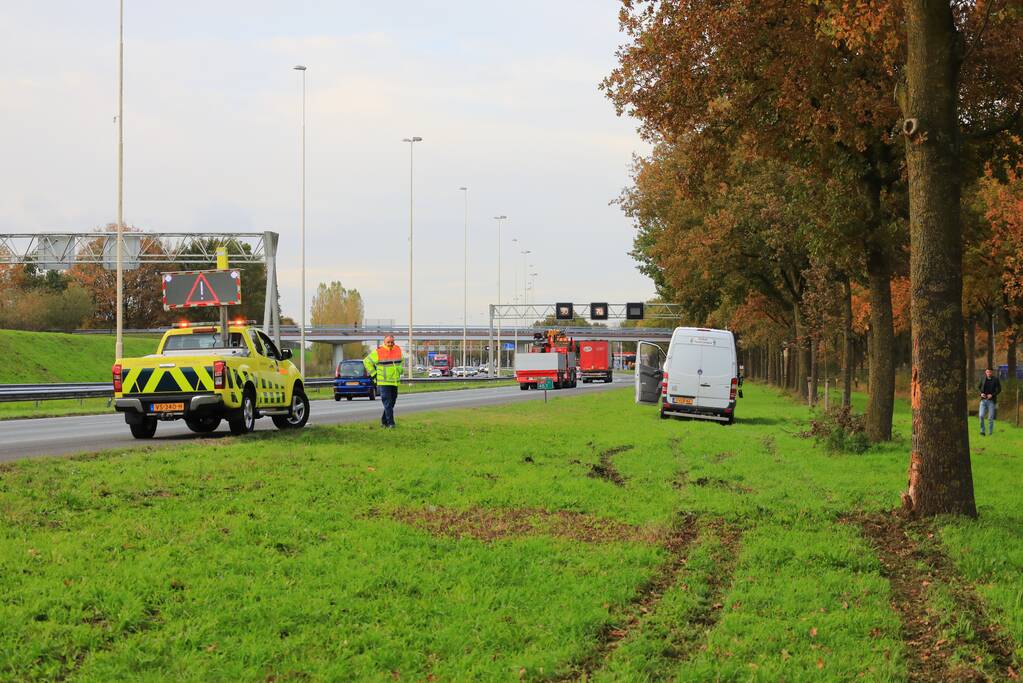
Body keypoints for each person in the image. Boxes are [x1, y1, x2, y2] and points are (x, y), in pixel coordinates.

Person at [364, 335, 404, 428]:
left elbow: (401, 361)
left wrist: (400, 370)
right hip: (383, 382)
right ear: (384, 342)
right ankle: (391, 423)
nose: (390, 344)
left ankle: (383, 422)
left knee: (391, 403)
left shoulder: (397, 349)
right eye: (388, 342)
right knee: (387, 402)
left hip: (394, 382)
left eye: (392, 342)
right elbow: (366, 361)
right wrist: (374, 374)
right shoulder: (379, 351)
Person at [978, 368, 1002, 436]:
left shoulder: (996, 380)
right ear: (985, 372)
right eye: (987, 372)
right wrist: (981, 394)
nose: (989, 373)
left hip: (991, 401)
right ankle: (982, 431)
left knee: (990, 418)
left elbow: (999, 389)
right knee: (981, 416)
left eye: (990, 372)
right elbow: (978, 388)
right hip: (983, 400)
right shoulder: (982, 379)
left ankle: (990, 433)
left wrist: (992, 395)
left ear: (992, 372)